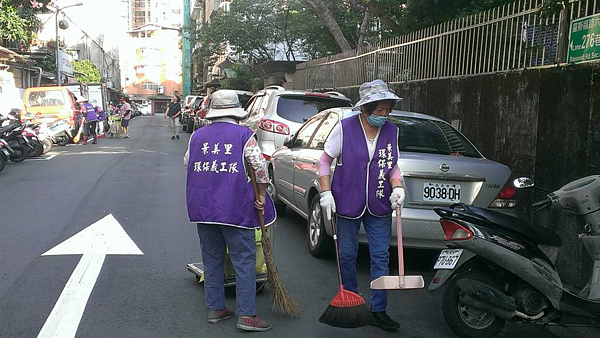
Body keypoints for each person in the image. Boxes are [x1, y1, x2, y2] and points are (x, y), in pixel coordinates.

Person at [318, 79, 406, 332]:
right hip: (347, 200)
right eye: (380, 110)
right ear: (365, 109)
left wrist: (398, 186)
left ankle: (378, 309)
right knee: (347, 255)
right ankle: (352, 302)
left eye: (387, 110)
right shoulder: (344, 128)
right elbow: (325, 161)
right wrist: (326, 193)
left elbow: (392, 165)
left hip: (379, 202)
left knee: (380, 256)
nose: (384, 115)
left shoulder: (392, 131)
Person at [184, 89, 275, 332]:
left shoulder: (197, 136)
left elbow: (187, 163)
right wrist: (262, 196)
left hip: (203, 208)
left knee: (211, 258)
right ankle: (247, 315)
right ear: (236, 112)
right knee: (243, 260)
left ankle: (216, 308)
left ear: (213, 112)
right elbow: (260, 168)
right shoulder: (245, 135)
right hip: (236, 208)